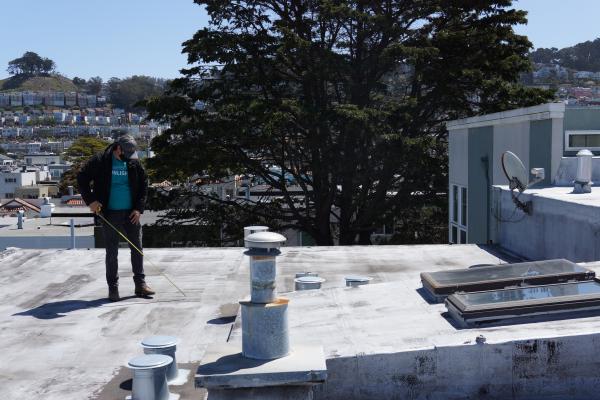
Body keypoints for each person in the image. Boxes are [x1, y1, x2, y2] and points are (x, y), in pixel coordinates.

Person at [77, 135, 154, 302]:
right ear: (118, 148)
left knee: (137, 248)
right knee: (112, 252)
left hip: (131, 213)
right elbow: (82, 177)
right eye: (125, 154)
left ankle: (140, 284)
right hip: (109, 213)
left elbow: (143, 184)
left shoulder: (133, 162)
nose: (128, 158)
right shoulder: (100, 161)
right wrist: (90, 201)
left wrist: (139, 209)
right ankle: (113, 288)